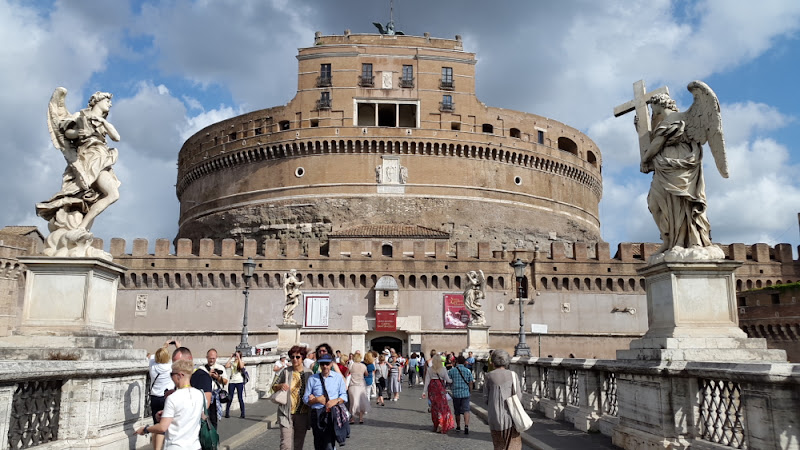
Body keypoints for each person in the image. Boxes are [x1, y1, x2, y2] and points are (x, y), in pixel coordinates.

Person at [135, 359, 203, 450]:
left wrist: (145, 429)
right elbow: (192, 413)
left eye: (172, 374)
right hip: (195, 446)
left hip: (176, 446)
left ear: (180, 375)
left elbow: (162, 427)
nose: (171, 377)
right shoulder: (199, 394)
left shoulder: (173, 398)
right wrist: (167, 413)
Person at [271, 345, 312, 450]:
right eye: (292, 357)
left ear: (302, 358)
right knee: (286, 444)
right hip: (286, 412)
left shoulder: (309, 373)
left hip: (303, 413)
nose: (294, 359)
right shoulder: (286, 371)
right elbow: (274, 386)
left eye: (297, 357)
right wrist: (280, 386)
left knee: (298, 443)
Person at [304, 353, 348, 450]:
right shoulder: (312, 379)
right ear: (319, 365)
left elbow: (344, 396)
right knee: (318, 443)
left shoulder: (338, 378)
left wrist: (335, 401)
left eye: (327, 364)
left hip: (331, 414)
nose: (325, 366)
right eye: (322, 364)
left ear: (331, 364)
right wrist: (317, 399)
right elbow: (306, 399)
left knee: (328, 444)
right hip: (317, 413)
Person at [485, 349, 523, 449]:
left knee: (498, 446)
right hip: (511, 417)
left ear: (493, 362)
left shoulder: (488, 376)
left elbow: (486, 398)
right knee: (513, 446)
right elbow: (519, 396)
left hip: (494, 417)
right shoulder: (513, 375)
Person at [147, 342, 176, 450]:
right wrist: (177, 346)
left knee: (156, 425)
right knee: (167, 425)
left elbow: (152, 356)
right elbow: (182, 359)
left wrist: (163, 346)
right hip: (166, 397)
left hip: (154, 397)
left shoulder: (152, 365)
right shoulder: (171, 366)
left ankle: (157, 448)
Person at [422, 353, 455, 433]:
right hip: (440, 388)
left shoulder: (430, 369)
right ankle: (441, 423)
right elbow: (448, 380)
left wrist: (424, 391)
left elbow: (427, 381)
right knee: (442, 406)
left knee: (434, 407)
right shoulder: (443, 369)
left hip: (432, 388)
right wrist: (453, 381)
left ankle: (436, 424)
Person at [199, 349, 227, 426]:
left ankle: (213, 434)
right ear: (206, 357)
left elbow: (225, 381)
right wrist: (208, 375)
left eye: (213, 358)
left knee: (214, 418)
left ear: (216, 358)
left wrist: (218, 377)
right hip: (204, 395)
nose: (211, 360)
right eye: (210, 358)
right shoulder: (202, 369)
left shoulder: (220, 367)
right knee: (204, 416)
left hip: (215, 396)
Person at [448, 355, 475, 434]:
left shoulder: (452, 371)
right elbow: (471, 382)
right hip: (465, 393)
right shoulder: (468, 371)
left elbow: (449, 381)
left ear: (457, 362)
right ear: (464, 362)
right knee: (466, 410)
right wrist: (470, 391)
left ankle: (458, 426)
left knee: (457, 411)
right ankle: (466, 426)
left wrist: (452, 387)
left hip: (456, 393)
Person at [347, 352, 370, 424]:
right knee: (361, 402)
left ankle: (352, 418)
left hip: (353, 385)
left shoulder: (351, 365)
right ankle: (361, 418)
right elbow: (366, 374)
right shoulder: (363, 366)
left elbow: (346, 374)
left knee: (353, 402)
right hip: (361, 385)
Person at [224, 351, 246, 419]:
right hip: (232, 382)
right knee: (230, 397)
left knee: (240, 398)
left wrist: (239, 358)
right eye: (235, 355)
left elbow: (242, 367)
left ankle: (242, 413)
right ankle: (227, 413)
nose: (236, 357)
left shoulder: (241, 362)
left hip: (239, 382)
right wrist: (230, 358)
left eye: (237, 355)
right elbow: (226, 366)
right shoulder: (232, 363)